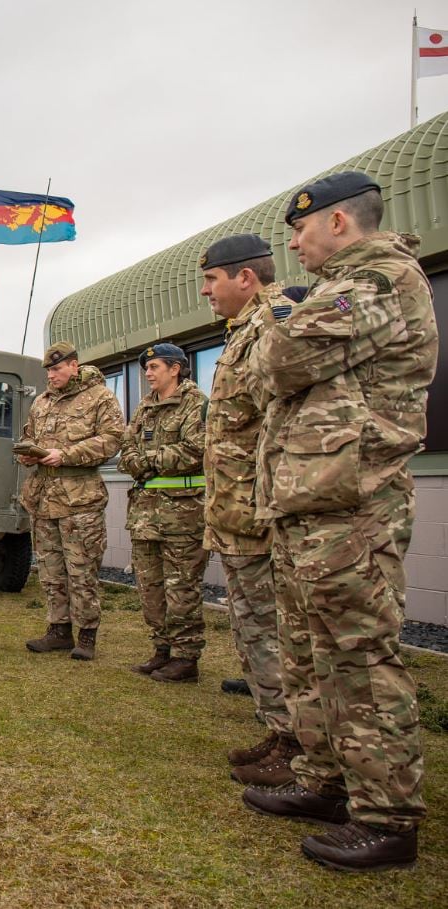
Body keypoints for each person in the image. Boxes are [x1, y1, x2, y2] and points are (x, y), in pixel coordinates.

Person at [243, 172, 438, 871]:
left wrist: (279, 332)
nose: (293, 244)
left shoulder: (380, 279)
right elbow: (275, 371)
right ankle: (329, 783)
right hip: (313, 503)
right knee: (315, 654)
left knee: (360, 659)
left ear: (339, 223)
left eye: (300, 229)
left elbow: (283, 359)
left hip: (354, 505)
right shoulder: (341, 287)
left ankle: (387, 818)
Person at [197, 234, 299, 786]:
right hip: (237, 515)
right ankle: (283, 733)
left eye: (212, 280)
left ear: (246, 278)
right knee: (251, 628)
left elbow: (285, 423)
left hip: (261, 517)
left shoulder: (274, 324)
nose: (207, 292)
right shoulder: (242, 333)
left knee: (273, 631)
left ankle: (301, 744)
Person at [16, 342, 124, 660]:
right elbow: (31, 435)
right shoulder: (42, 402)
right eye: (48, 370)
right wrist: (29, 452)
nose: (51, 375)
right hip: (44, 501)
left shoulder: (100, 397)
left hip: (80, 502)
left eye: (57, 368)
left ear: (74, 366)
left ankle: (87, 636)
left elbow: (112, 439)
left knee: (81, 570)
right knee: (51, 572)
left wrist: (66, 455)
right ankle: (58, 630)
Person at [118, 343, 208, 682]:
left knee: (182, 586)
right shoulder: (144, 408)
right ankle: (162, 649)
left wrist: (149, 461)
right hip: (145, 514)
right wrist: (138, 462)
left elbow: (195, 448)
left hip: (183, 513)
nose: (148, 373)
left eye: (155, 366)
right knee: (150, 586)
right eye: (147, 367)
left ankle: (186, 657)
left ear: (175, 368)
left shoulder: (195, 403)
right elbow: (127, 447)